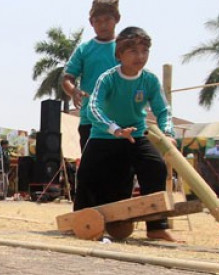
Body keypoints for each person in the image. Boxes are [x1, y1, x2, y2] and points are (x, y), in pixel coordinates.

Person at [75, 26, 180, 242]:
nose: (140, 57)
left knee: (155, 167)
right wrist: (115, 129)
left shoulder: (149, 80)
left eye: (144, 51)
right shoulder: (108, 78)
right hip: (105, 136)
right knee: (87, 174)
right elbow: (93, 109)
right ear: (119, 54)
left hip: (136, 135)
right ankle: (80, 223)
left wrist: (168, 133)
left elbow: (163, 110)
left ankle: (156, 226)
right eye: (133, 51)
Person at [62, 0, 121, 152]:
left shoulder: (125, 48)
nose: (102, 25)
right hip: (91, 122)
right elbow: (67, 78)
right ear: (91, 22)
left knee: (121, 174)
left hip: (121, 120)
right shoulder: (84, 49)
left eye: (107, 20)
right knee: (92, 173)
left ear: (116, 19)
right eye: (97, 21)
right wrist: (74, 91)